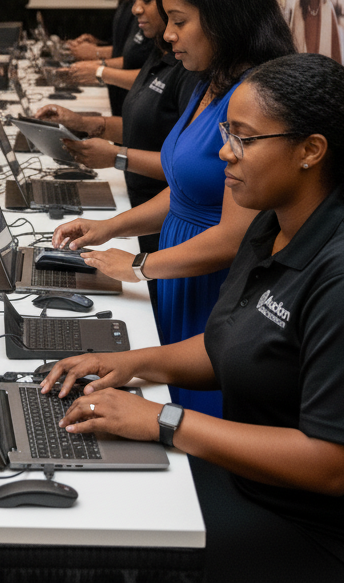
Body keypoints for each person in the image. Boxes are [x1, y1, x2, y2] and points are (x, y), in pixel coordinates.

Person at [42, 53, 344, 579]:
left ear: (310, 151)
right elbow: (230, 341)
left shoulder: (335, 274)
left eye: (243, 139)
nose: (225, 151)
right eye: (227, 133)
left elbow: (329, 462)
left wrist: (164, 421)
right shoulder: (271, 226)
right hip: (245, 481)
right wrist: (127, 362)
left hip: (305, 525)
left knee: (100, 537)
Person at [52, 0, 295, 415]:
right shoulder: (209, 81)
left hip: (210, 280)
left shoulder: (253, 99)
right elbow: (185, 192)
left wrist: (141, 265)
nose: (167, 34)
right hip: (176, 269)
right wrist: (109, 227)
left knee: (191, 417)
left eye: (179, 21)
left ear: (223, 18)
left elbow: (234, 235)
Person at [37, 0, 198, 260]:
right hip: (137, 205)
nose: (135, 7)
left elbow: (184, 167)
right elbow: (147, 127)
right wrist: (83, 123)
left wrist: (116, 156)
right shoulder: (162, 53)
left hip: (160, 221)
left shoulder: (192, 69)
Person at [66, 0, 153, 114]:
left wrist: (98, 63)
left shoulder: (151, 16)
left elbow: (151, 75)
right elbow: (126, 49)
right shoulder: (127, 3)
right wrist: (99, 46)